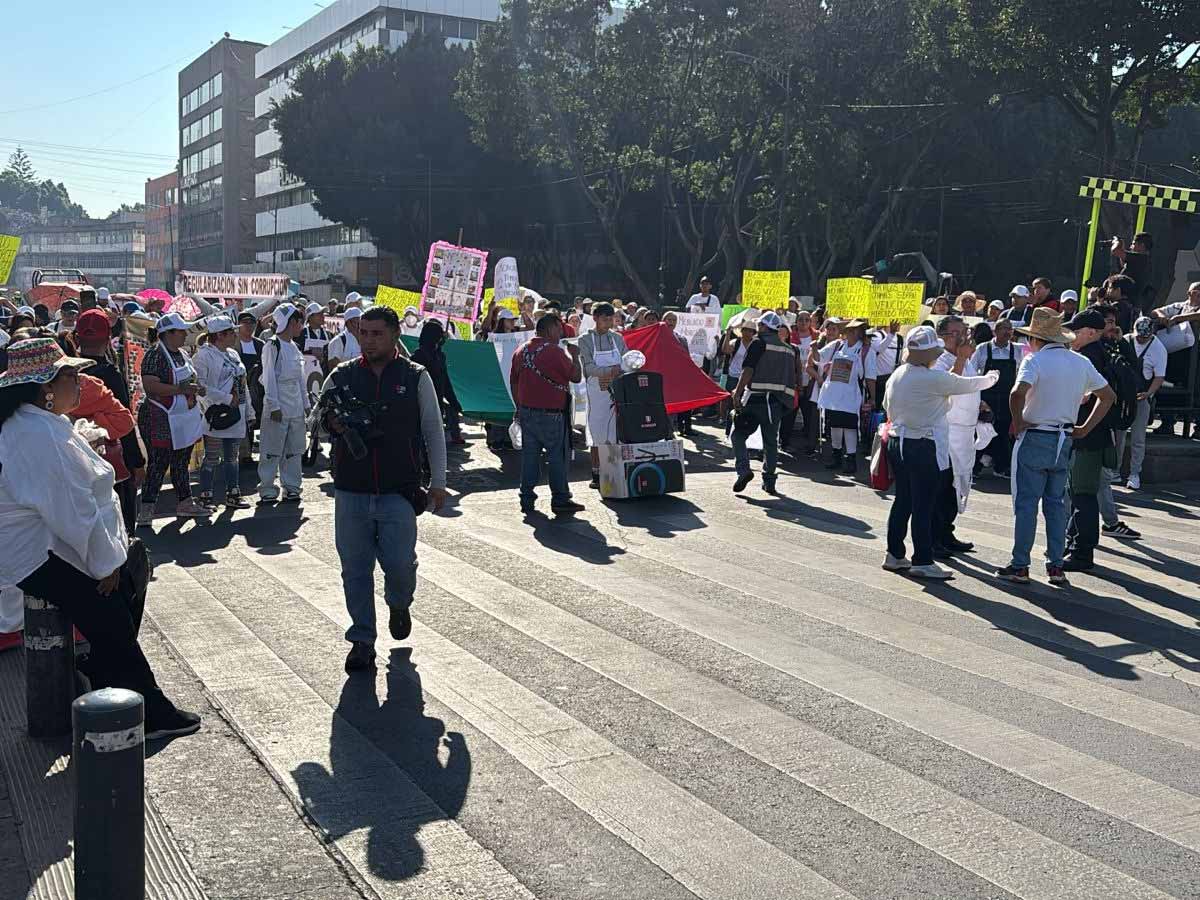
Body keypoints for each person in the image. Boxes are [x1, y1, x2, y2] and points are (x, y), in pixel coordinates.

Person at [0, 338, 201, 738]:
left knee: (127, 582)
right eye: (72, 377)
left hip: (46, 546)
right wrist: (103, 564)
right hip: (39, 553)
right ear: (46, 389)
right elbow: (68, 510)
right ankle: (148, 707)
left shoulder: (36, 425)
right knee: (112, 610)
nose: (80, 385)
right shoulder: (36, 434)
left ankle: (107, 673)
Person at [318, 306, 447, 673]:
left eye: (377, 333)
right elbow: (319, 423)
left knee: (399, 565)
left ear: (394, 336)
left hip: (399, 492)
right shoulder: (341, 376)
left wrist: (438, 482)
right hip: (351, 491)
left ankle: (399, 602)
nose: (369, 340)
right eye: (364, 333)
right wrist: (335, 423)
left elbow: (433, 430)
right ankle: (361, 641)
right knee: (354, 570)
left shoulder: (415, 376)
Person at [1000, 308, 1114, 586]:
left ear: (1036, 339)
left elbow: (1017, 393)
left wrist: (1019, 422)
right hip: (1064, 438)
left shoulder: (1034, 360)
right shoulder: (1080, 362)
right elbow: (1108, 396)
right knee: (1055, 504)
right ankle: (1055, 565)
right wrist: (1084, 428)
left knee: (1026, 504)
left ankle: (1020, 565)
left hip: (1036, 434)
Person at [883, 326, 999, 579]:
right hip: (922, 444)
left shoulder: (899, 373)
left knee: (903, 501)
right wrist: (993, 376)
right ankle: (923, 559)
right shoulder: (931, 377)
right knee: (923, 504)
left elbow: (886, 406)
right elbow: (970, 384)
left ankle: (894, 554)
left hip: (897, 440)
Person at [1061, 308, 1122, 572]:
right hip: (1094, 437)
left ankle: (1082, 552)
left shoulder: (1088, 358)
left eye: (1075, 330)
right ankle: (1074, 544)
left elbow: (1101, 397)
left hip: (1089, 439)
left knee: (1083, 495)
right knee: (1078, 492)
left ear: (1089, 333)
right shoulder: (1098, 353)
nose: (1070, 335)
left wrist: (1084, 428)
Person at [73, 308, 145, 532]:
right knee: (119, 524)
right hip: (112, 459)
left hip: (75, 458)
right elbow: (125, 422)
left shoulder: (65, 374)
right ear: (108, 339)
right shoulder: (110, 374)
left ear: (77, 338)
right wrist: (137, 461)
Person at [136, 312, 210, 525]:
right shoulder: (155, 355)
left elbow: (191, 379)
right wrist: (180, 389)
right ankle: (146, 510)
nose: (185, 334)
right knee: (158, 463)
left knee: (181, 461)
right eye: (181, 331)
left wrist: (197, 389)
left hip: (182, 417)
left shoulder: (183, 354)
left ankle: (185, 503)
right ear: (168, 333)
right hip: (159, 417)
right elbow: (150, 386)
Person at [509, 313, 584, 515]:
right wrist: (575, 355)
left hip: (527, 412)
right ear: (550, 329)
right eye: (559, 330)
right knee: (557, 457)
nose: (561, 334)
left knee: (530, 457)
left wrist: (519, 406)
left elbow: (514, 381)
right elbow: (576, 377)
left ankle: (526, 498)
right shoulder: (554, 352)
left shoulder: (521, 351)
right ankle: (560, 499)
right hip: (551, 415)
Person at [932, 316, 986, 556]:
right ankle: (933, 538)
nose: (962, 336)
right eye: (956, 333)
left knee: (958, 483)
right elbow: (949, 386)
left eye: (964, 331)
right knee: (941, 486)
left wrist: (981, 404)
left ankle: (946, 532)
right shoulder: (939, 360)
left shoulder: (967, 358)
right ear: (942, 336)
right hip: (947, 431)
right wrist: (962, 358)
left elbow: (969, 385)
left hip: (965, 431)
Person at [729, 312, 796, 494]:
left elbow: (748, 370)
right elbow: (792, 380)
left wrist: (737, 393)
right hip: (775, 403)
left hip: (754, 400)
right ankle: (769, 481)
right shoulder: (788, 349)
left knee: (738, 435)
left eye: (759, 325)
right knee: (770, 443)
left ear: (764, 326)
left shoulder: (758, 343)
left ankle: (743, 470)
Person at [193, 316, 253, 509]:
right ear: (220, 335)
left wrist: (249, 411)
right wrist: (226, 398)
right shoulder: (203, 356)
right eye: (231, 332)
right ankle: (205, 496)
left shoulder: (233, 354)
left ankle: (233, 494)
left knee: (232, 457)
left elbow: (243, 385)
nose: (235, 335)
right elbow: (201, 387)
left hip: (237, 413)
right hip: (216, 414)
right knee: (211, 456)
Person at [258, 303, 308, 504]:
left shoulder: (294, 347)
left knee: (294, 450)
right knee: (271, 449)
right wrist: (274, 406)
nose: (301, 326)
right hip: (278, 405)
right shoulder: (272, 346)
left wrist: (305, 405)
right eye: (299, 322)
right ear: (291, 322)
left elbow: (300, 380)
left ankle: (292, 487)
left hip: (295, 407)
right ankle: (268, 488)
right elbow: (269, 377)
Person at [815, 317, 876, 476]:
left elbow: (870, 376)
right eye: (851, 329)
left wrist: (872, 397)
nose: (854, 331)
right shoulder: (837, 345)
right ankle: (836, 455)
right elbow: (818, 357)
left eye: (857, 329)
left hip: (851, 394)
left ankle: (850, 458)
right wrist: (813, 346)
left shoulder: (866, 350)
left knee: (849, 426)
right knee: (835, 425)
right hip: (834, 395)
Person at [578, 302, 628, 488]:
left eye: (611, 319)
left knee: (616, 432)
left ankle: (614, 472)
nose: (609, 322)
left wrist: (616, 373)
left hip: (617, 390)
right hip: (596, 392)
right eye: (605, 319)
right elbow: (589, 367)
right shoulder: (585, 340)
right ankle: (597, 473)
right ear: (596, 318)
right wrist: (609, 371)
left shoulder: (618, 338)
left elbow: (627, 360)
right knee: (597, 432)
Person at [970, 318, 1020, 477]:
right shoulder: (982, 349)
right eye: (1004, 328)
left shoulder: (1017, 351)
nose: (1007, 332)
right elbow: (972, 372)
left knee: (1003, 432)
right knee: (981, 431)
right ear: (995, 331)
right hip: (987, 398)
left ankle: (1001, 467)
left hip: (1007, 398)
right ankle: (974, 466)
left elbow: (1019, 374)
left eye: (1010, 329)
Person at [1124, 316, 1167, 490]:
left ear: (1151, 334)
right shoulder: (1127, 340)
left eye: (1144, 337)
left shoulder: (1159, 348)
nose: (1141, 339)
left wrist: (1149, 393)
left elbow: (1159, 377)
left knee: (1138, 438)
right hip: (1123, 396)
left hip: (1142, 395)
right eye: (1139, 336)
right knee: (1118, 436)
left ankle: (1134, 473)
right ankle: (1113, 471)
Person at [410, 319, 465, 447]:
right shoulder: (418, 357)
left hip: (437, 403)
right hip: (422, 404)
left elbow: (445, 381)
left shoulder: (440, 356)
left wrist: (454, 402)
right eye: (439, 335)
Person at [236, 310, 266, 462]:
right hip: (240, 387)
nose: (249, 326)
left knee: (255, 417)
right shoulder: (233, 344)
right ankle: (243, 454)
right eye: (245, 323)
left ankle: (249, 452)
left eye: (252, 323)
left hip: (258, 388)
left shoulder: (260, 344)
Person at [1111, 232, 1153, 313]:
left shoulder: (1140, 258)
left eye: (1133, 244)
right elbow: (1124, 264)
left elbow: (1115, 251)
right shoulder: (1143, 260)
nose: (1131, 247)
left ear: (1142, 245)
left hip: (1127, 302)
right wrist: (1122, 247)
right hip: (1130, 303)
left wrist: (1116, 242)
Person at [299, 301, 332, 370]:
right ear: (310, 317)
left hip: (324, 374)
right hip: (306, 373)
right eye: (319, 314)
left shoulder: (328, 334)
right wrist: (311, 352)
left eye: (322, 313)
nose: (322, 316)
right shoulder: (301, 333)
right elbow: (296, 354)